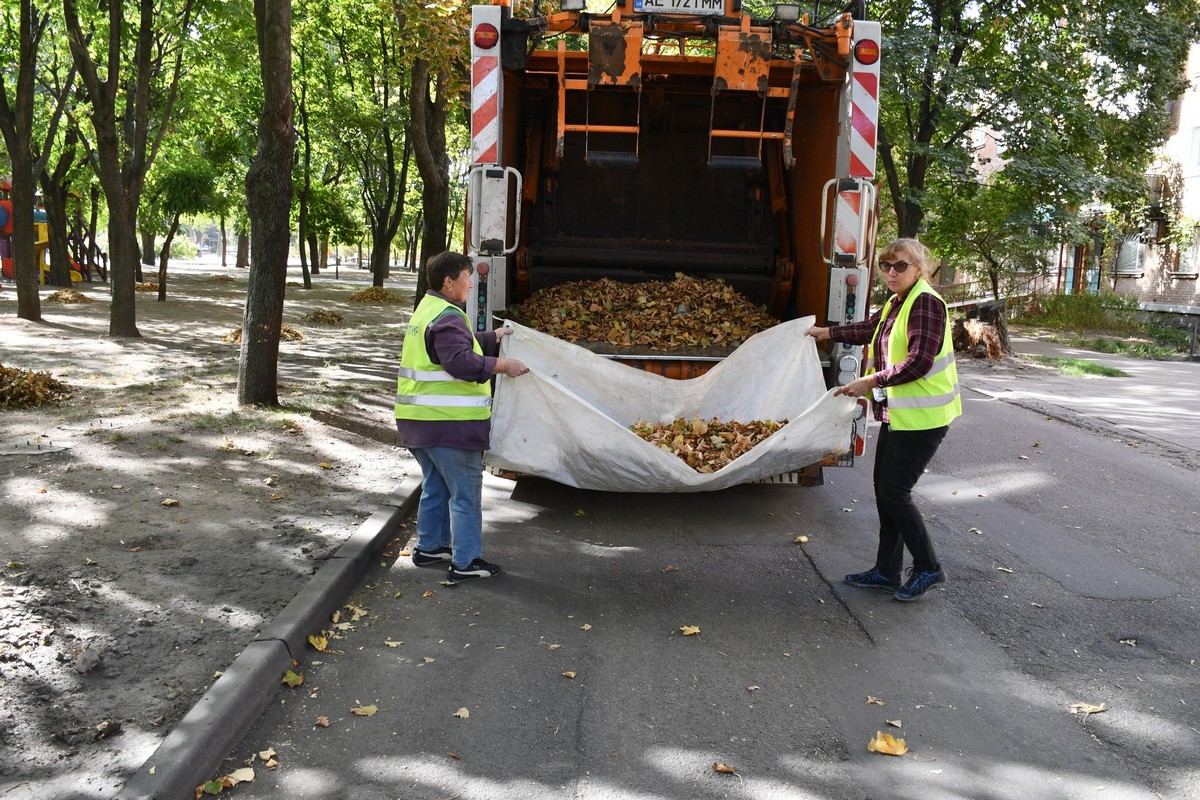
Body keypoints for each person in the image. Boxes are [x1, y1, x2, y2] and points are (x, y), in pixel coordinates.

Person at [806, 238, 961, 602]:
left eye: (901, 266)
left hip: (924, 418)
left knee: (895, 492)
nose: (892, 272)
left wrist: (870, 381)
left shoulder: (925, 304)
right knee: (885, 492)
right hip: (899, 414)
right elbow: (867, 330)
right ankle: (887, 571)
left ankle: (929, 568)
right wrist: (825, 333)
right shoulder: (898, 302)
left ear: (919, 269)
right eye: (886, 266)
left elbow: (920, 361)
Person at [395, 251, 530, 581]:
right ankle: (466, 562)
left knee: (436, 486)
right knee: (466, 494)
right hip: (450, 426)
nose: (471, 283)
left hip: (419, 423)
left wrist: (492, 338)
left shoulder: (428, 310)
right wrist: (503, 365)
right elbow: (459, 362)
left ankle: (430, 548)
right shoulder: (449, 315)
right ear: (448, 281)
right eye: (467, 277)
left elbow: (449, 347)